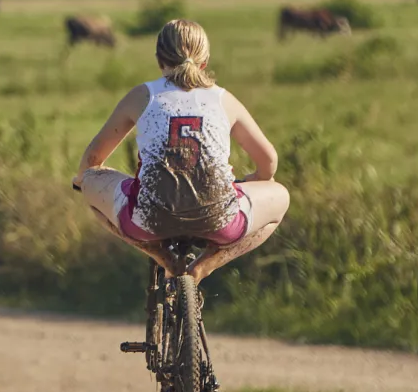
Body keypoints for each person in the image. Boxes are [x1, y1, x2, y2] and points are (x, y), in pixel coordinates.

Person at [73, 19, 291, 280]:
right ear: (205, 61)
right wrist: (257, 179)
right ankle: (206, 265)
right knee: (281, 196)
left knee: (88, 181)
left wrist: (81, 180)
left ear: (158, 59)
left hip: (147, 221)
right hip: (220, 220)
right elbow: (269, 161)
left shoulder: (143, 95)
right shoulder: (224, 99)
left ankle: (159, 256)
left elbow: (94, 158)